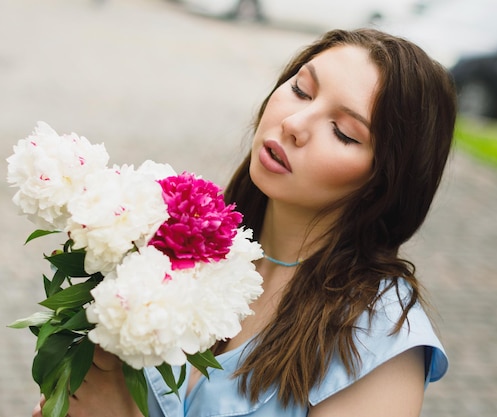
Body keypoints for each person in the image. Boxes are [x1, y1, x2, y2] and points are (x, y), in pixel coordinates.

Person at [33, 28, 456, 417]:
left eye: (344, 132)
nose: (293, 124)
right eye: (301, 90)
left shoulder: (379, 341)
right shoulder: (182, 239)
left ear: (385, 180)